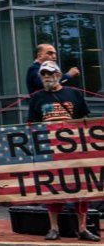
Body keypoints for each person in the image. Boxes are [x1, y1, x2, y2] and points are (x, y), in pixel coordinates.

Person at [27, 61, 98, 242]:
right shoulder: (37, 98)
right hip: (50, 151)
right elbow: (32, 125)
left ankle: (82, 228)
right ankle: (54, 228)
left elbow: (84, 120)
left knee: (82, 188)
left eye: (50, 73)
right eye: (43, 74)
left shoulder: (74, 93)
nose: (46, 77)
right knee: (53, 189)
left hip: (75, 150)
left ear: (58, 75)